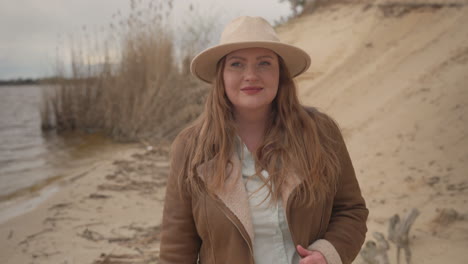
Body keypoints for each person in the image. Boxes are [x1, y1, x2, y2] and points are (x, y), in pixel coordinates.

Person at [159, 16, 368, 264]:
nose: (251, 75)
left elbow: (351, 210)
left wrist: (327, 254)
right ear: (221, 77)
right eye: (236, 64)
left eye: (264, 64)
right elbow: (176, 248)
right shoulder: (192, 146)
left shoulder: (320, 132)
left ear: (280, 73)